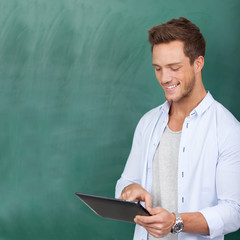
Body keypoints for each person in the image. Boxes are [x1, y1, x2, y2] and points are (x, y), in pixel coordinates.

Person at [115, 17, 240, 240]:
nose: (164, 78)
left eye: (174, 68)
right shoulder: (148, 122)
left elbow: (234, 212)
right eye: (158, 68)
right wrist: (128, 191)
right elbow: (125, 182)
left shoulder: (228, 130)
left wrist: (176, 221)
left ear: (198, 63)